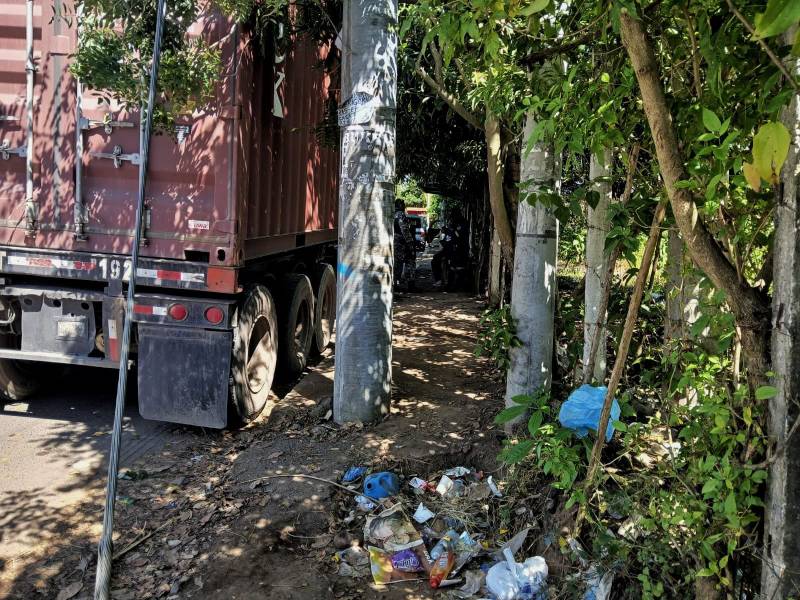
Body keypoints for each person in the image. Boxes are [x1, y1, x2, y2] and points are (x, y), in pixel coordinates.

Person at [432, 210, 468, 288]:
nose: (450, 220)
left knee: (452, 265)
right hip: (448, 249)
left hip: (458, 251)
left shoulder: (462, 225)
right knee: (435, 259)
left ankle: (449, 283)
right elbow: (446, 240)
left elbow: (459, 239)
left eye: (452, 218)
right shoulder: (450, 228)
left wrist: (453, 230)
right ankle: (439, 280)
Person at [393, 198, 416, 291]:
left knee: (396, 264)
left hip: (394, 242)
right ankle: (411, 285)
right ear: (400, 206)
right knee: (410, 261)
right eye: (403, 204)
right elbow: (405, 230)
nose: (404, 206)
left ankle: (395, 285)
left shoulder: (392, 214)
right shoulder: (400, 214)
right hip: (401, 243)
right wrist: (410, 244)